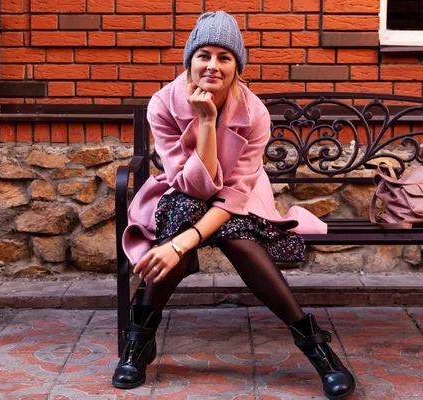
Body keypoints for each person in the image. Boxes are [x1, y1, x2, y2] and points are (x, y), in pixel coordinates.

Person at [113, 11, 355, 400]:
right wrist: (205, 123)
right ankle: (139, 343)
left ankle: (317, 350)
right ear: (189, 61)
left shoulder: (254, 112)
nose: (213, 65)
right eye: (203, 55)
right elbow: (192, 184)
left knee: (234, 238)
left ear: (237, 67)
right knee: (180, 217)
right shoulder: (163, 103)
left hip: (239, 196)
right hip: (182, 192)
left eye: (225, 58)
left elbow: (232, 196)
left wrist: (180, 244)